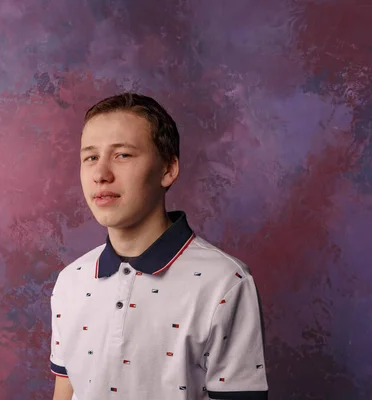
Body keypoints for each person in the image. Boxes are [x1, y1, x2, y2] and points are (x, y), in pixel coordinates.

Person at [49, 93, 269, 400]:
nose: (101, 174)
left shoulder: (225, 283)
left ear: (168, 169)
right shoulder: (70, 282)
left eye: (122, 155)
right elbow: (66, 391)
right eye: (91, 157)